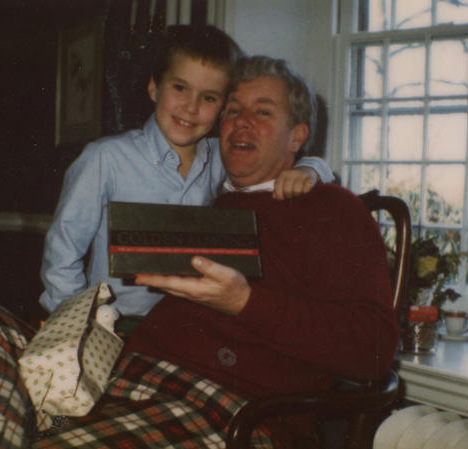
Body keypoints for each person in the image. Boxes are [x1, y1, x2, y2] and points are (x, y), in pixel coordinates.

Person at [125, 55, 398, 399]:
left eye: (263, 112)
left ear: (297, 137)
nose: (241, 122)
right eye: (233, 110)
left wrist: (244, 302)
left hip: (217, 405)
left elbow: (371, 350)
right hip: (133, 369)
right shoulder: (206, 193)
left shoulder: (332, 209)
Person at [39, 25, 334, 318]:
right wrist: (72, 322)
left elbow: (305, 167)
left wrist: (310, 169)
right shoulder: (106, 158)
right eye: (180, 88)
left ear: (221, 108)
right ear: (155, 87)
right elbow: (63, 249)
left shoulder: (222, 159)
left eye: (208, 97)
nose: (191, 107)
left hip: (185, 329)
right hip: (112, 324)